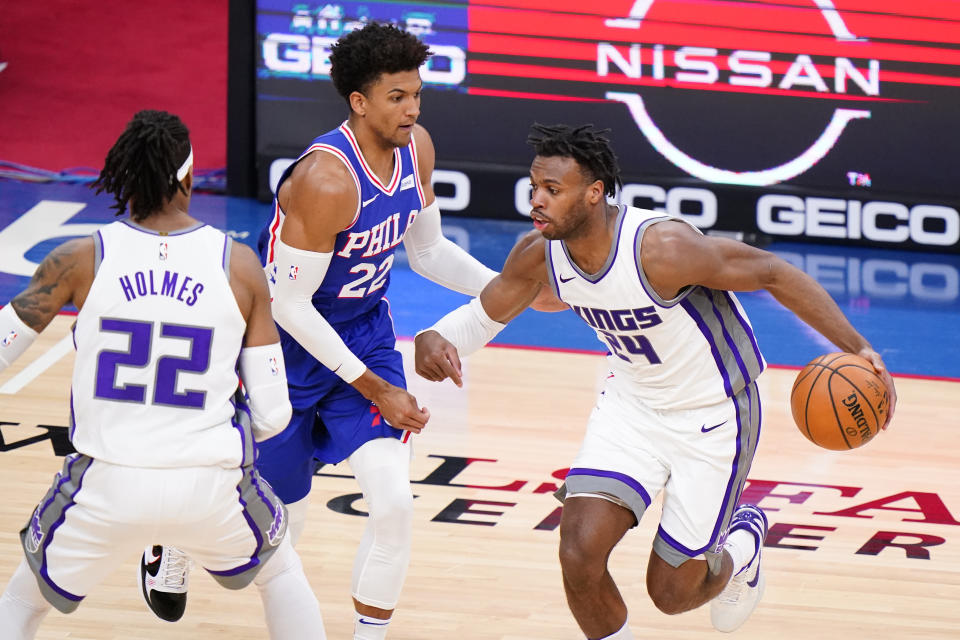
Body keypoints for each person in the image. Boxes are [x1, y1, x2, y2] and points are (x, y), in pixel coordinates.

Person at [143, 23, 559, 639]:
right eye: (397, 96)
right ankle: (172, 534)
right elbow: (287, 305)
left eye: (417, 94)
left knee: (392, 502)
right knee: (279, 527)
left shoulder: (416, 148)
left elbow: (429, 251)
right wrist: (377, 389)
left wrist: (508, 289)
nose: (412, 109)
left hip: (363, 333)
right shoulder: (326, 180)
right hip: (280, 348)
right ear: (359, 102)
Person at [413, 123, 898, 638]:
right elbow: (486, 314)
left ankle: (745, 542)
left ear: (594, 193)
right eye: (534, 188)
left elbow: (773, 273)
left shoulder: (662, 248)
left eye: (552, 191)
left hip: (717, 411)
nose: (537, 201)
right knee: (578, 552)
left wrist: (857, 348)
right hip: (632, 406)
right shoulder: (539, 253)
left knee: (671, 593)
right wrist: (439, 334)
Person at [0, 110, 326, 639]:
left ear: (124, 177)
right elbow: (274, 412)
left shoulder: (78, 258)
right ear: (190, 179)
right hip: (209, 485)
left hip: (105, 482)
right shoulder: (239, 264)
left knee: (21, 602)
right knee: (282, 573)